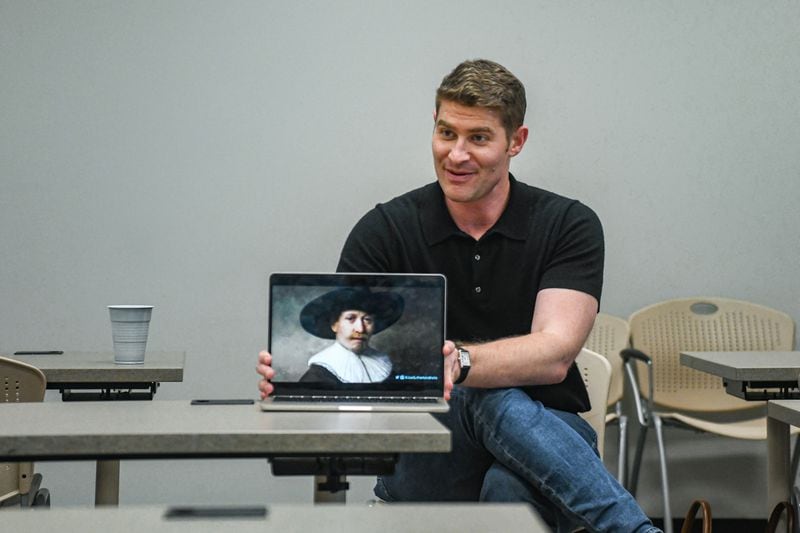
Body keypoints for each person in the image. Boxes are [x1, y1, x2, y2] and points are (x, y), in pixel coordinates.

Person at [258, 59, 659, 532]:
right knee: (475, 395)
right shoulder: (385, 230)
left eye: (479, 138)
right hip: (426, 448)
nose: (457, 155)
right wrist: (296, 381)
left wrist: (459, 364)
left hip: (552, 435)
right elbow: (350, 360)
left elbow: (553, 355)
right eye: (447, 133)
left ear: (517, 142)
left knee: (507, 485)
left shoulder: (567, 224)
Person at [297, 287, 403, 383]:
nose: (360, 329)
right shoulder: (318, 375)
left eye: (367, 320)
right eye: (351, 318)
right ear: (334, 325)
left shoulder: (385, 368)